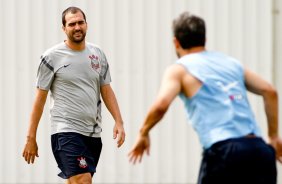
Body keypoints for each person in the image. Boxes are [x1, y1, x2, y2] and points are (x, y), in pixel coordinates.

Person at [128, 11, 282, 184]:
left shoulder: (179, 69)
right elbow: (269, 91)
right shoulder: (231, 63)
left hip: (225, 152)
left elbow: (161, 106)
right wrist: (274, 136)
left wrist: (144, 132)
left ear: (176, 42)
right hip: (260, 151)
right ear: (204, 39)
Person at [22, 6, 125, 184]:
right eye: (72, 24)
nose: (77, 27)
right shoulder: (51, 57)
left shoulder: (97, 54)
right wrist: (31, 138)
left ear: (86, 24)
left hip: (93, 134)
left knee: (74, 181)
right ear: (64, 28)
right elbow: (40, 100)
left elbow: (106, 89)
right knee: (83, 180)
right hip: (66, 131)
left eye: (80, 22)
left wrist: (119, 121)